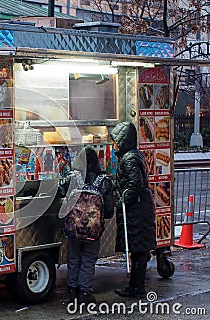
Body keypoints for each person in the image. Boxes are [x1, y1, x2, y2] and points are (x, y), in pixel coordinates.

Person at [62, 146, 114, 304]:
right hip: (93, 230)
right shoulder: (103, 182)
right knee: (88, 259)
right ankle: (84, 291)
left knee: (73, 257)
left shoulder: (72, 178)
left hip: (74, 228)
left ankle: (72, 290)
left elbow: (58, 192)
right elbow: (110, 211)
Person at [110, 122, 156, 298]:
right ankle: (136, 285)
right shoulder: (132, 156)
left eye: (115, 141)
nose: (113, 145)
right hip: (140, 208)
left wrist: (123, 198)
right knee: (139, 249)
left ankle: (136, 287)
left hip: (137, 210)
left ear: (123, 141)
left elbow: (135, 184)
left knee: (138, 249)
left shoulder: (129, 159)